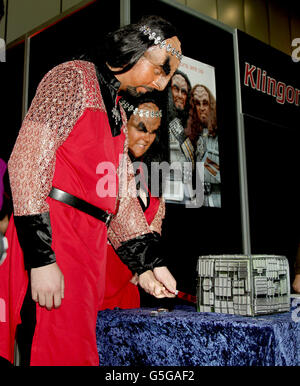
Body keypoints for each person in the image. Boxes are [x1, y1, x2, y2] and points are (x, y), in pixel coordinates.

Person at [0, 15, 182, 366]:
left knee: (76, 353)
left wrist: (149, 265)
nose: (161, 85)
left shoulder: (114, 106)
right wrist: (42, 257)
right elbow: (26, 160)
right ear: (137, 51)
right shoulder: (72, 78)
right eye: (161, 69)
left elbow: (122, 197)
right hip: (58, 236)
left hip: (87, 247)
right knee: (56, 351)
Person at [100, 93, 167, 310]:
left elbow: (154, 228)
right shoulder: (106, 162)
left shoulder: (153, 175)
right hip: (98, 277)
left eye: (153, 131)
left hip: (132, 283)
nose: (147, 138)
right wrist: (143, 266)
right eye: (140, 128)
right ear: (123, 122)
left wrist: (144, 269)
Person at [186, 84, 220, 207]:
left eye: (205, 103)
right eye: (197, 103)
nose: (201, 108)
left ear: (211, 105)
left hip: (216, 198)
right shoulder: (188, 134)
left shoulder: (217, 132)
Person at [165, 70, 195, 204]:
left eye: (184, 92)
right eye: (175, 89)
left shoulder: (186, 125)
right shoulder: (157, 119)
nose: (180, 95)